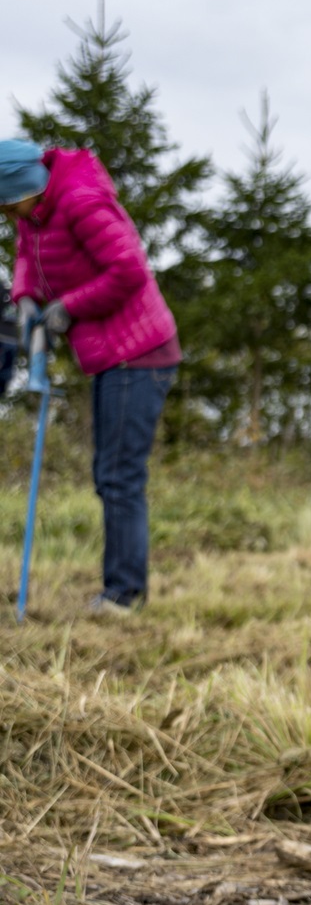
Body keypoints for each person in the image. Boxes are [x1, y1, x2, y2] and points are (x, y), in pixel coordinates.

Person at [1, 138, 180, 613]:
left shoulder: (80, 202)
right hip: (108, 354)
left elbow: (130, 270)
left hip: (139, 352)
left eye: (5, 202)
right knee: (109, 475)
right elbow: (28, 258)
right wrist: (25, 297)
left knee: (118, 477)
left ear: (22, 189)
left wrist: (67, 306)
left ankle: (124, 595)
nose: (5, 214)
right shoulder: (36, 213)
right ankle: (122, 587)